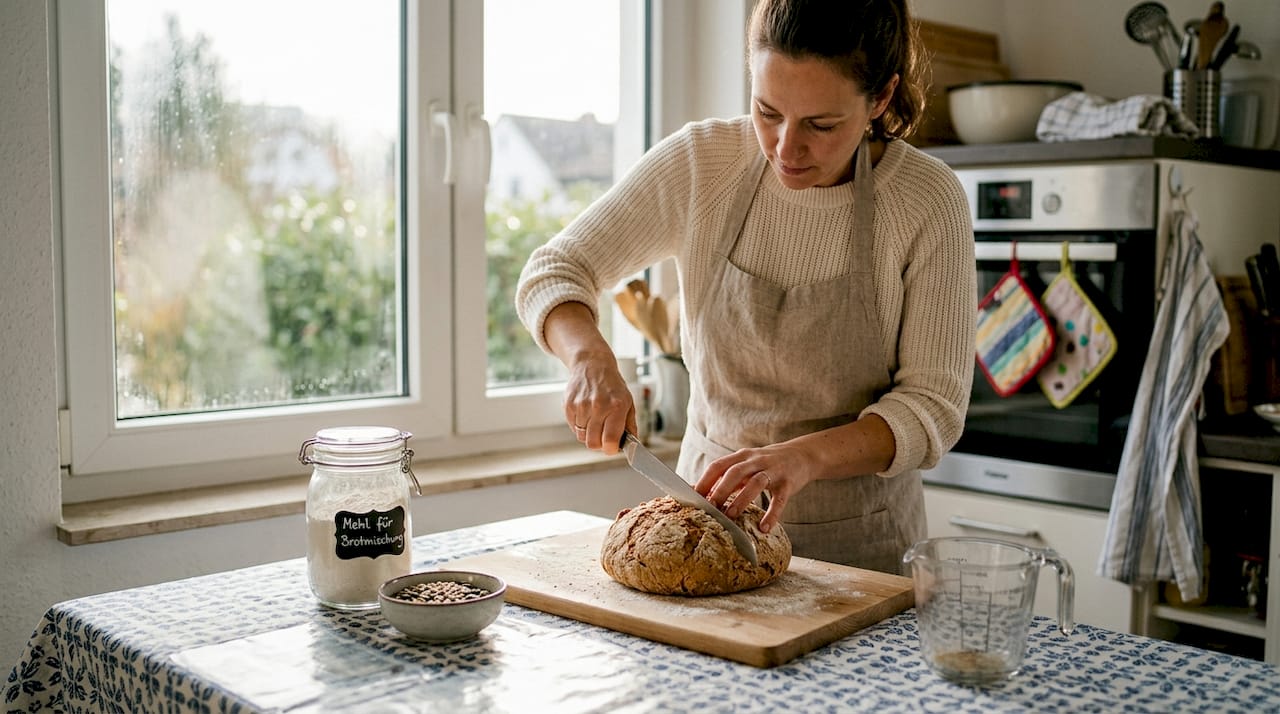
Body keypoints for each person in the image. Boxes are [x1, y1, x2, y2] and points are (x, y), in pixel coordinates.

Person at [515, 0, 975, 575]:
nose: (785, 147)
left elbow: (934, 407)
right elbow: (556, 269)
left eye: (821, 125)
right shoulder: (703, 163)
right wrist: (588, 358)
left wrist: (802, 458)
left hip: (862, 551)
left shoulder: (926, 200)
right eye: (767, 111)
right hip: (705, 532)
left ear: (880, 98)